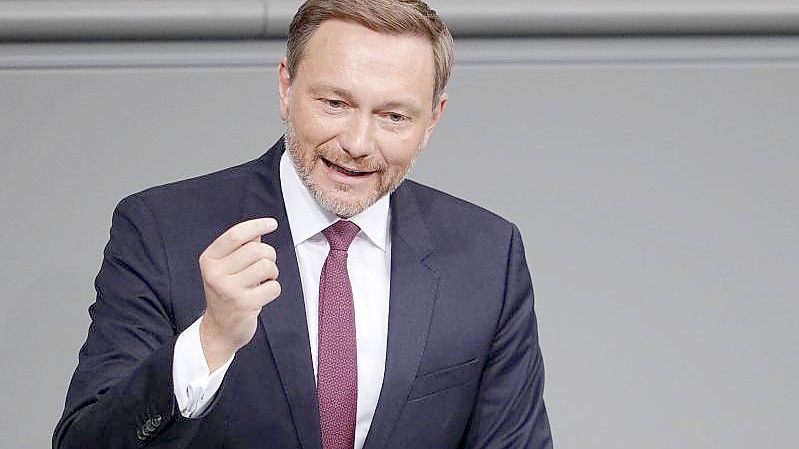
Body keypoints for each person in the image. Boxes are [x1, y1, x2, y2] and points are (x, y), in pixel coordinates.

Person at [53, 1, 553, 448]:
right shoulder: (160, 229)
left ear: (433, 120)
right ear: (286, 88)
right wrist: (211, 339)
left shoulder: (489, 252)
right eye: (335, 104)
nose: (358, 142)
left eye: (394, 116)